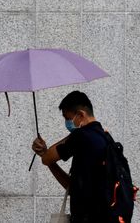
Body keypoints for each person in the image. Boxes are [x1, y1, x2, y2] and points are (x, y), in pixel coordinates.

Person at [31, 90, 109, 223]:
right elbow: (73, 187)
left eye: (67, 118)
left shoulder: (81, 136)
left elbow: (47, 158)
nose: (67, 123)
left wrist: (44, 151)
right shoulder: (105, 136)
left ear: (81, 115)